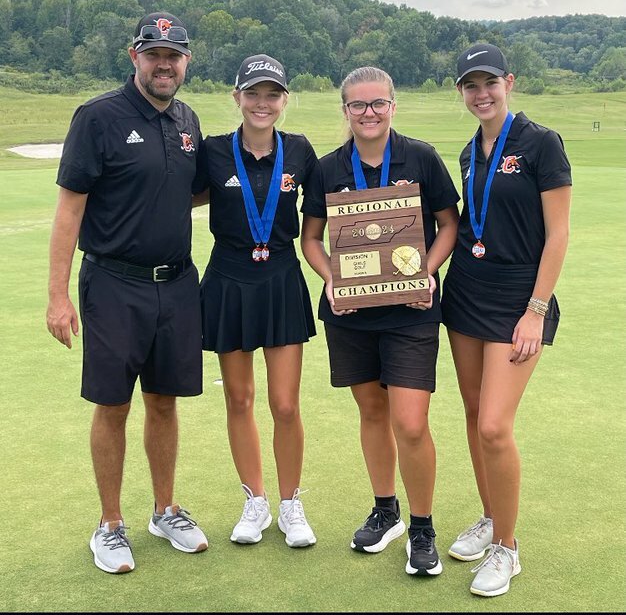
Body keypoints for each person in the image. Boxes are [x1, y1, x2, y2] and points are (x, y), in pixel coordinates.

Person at [46, 12, 209, 574]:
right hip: (114, 283)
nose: (165, 64)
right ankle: (110, 524)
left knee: (164, 401)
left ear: (187, 60)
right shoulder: (98, 117)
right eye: (154, 53)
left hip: (177, 284)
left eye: (175, 55)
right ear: (134, 55)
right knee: (113, 404)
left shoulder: (188, 120)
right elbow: (70, 207)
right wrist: (57, 296)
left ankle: (165, 509)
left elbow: (186, 192)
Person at [301, 66, 459, 576]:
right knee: (372, 412)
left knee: (410, 422)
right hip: (351, 314)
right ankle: (385, 508)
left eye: (377, 103)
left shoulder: (422, 157)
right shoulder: (327, 169)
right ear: (344, 110)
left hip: (410, 312)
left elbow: (448, 225)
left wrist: (426, 274)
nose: (368, 113)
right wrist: (332, 279)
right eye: (357, 105)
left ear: (394, 105)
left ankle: (422, 527)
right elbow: (311, 240)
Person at [441, 43, 572, 597]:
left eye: (489, 83)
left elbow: (559, 234)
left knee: (495, 424)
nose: (481, 94)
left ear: (509, 82)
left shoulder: (541, 143)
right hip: (468, 293)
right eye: (471, 85)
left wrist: (536, 311)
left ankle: (507, 549)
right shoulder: (473, 151)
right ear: (462, 92)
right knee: (474, 416)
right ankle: (493, 517)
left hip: (519, 301)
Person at [197, 54, 320, 548]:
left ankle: (291, 504)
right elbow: (171, 192)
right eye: (253, 94)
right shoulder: (212, 151)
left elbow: (337, 201)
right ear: (237, 97)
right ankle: (255, 501)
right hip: (227, 278)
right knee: (239, 397)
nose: (262, 103)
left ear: (284, 99)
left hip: (282, 278)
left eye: (272, 94)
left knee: (285, 403)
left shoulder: (301, 150)